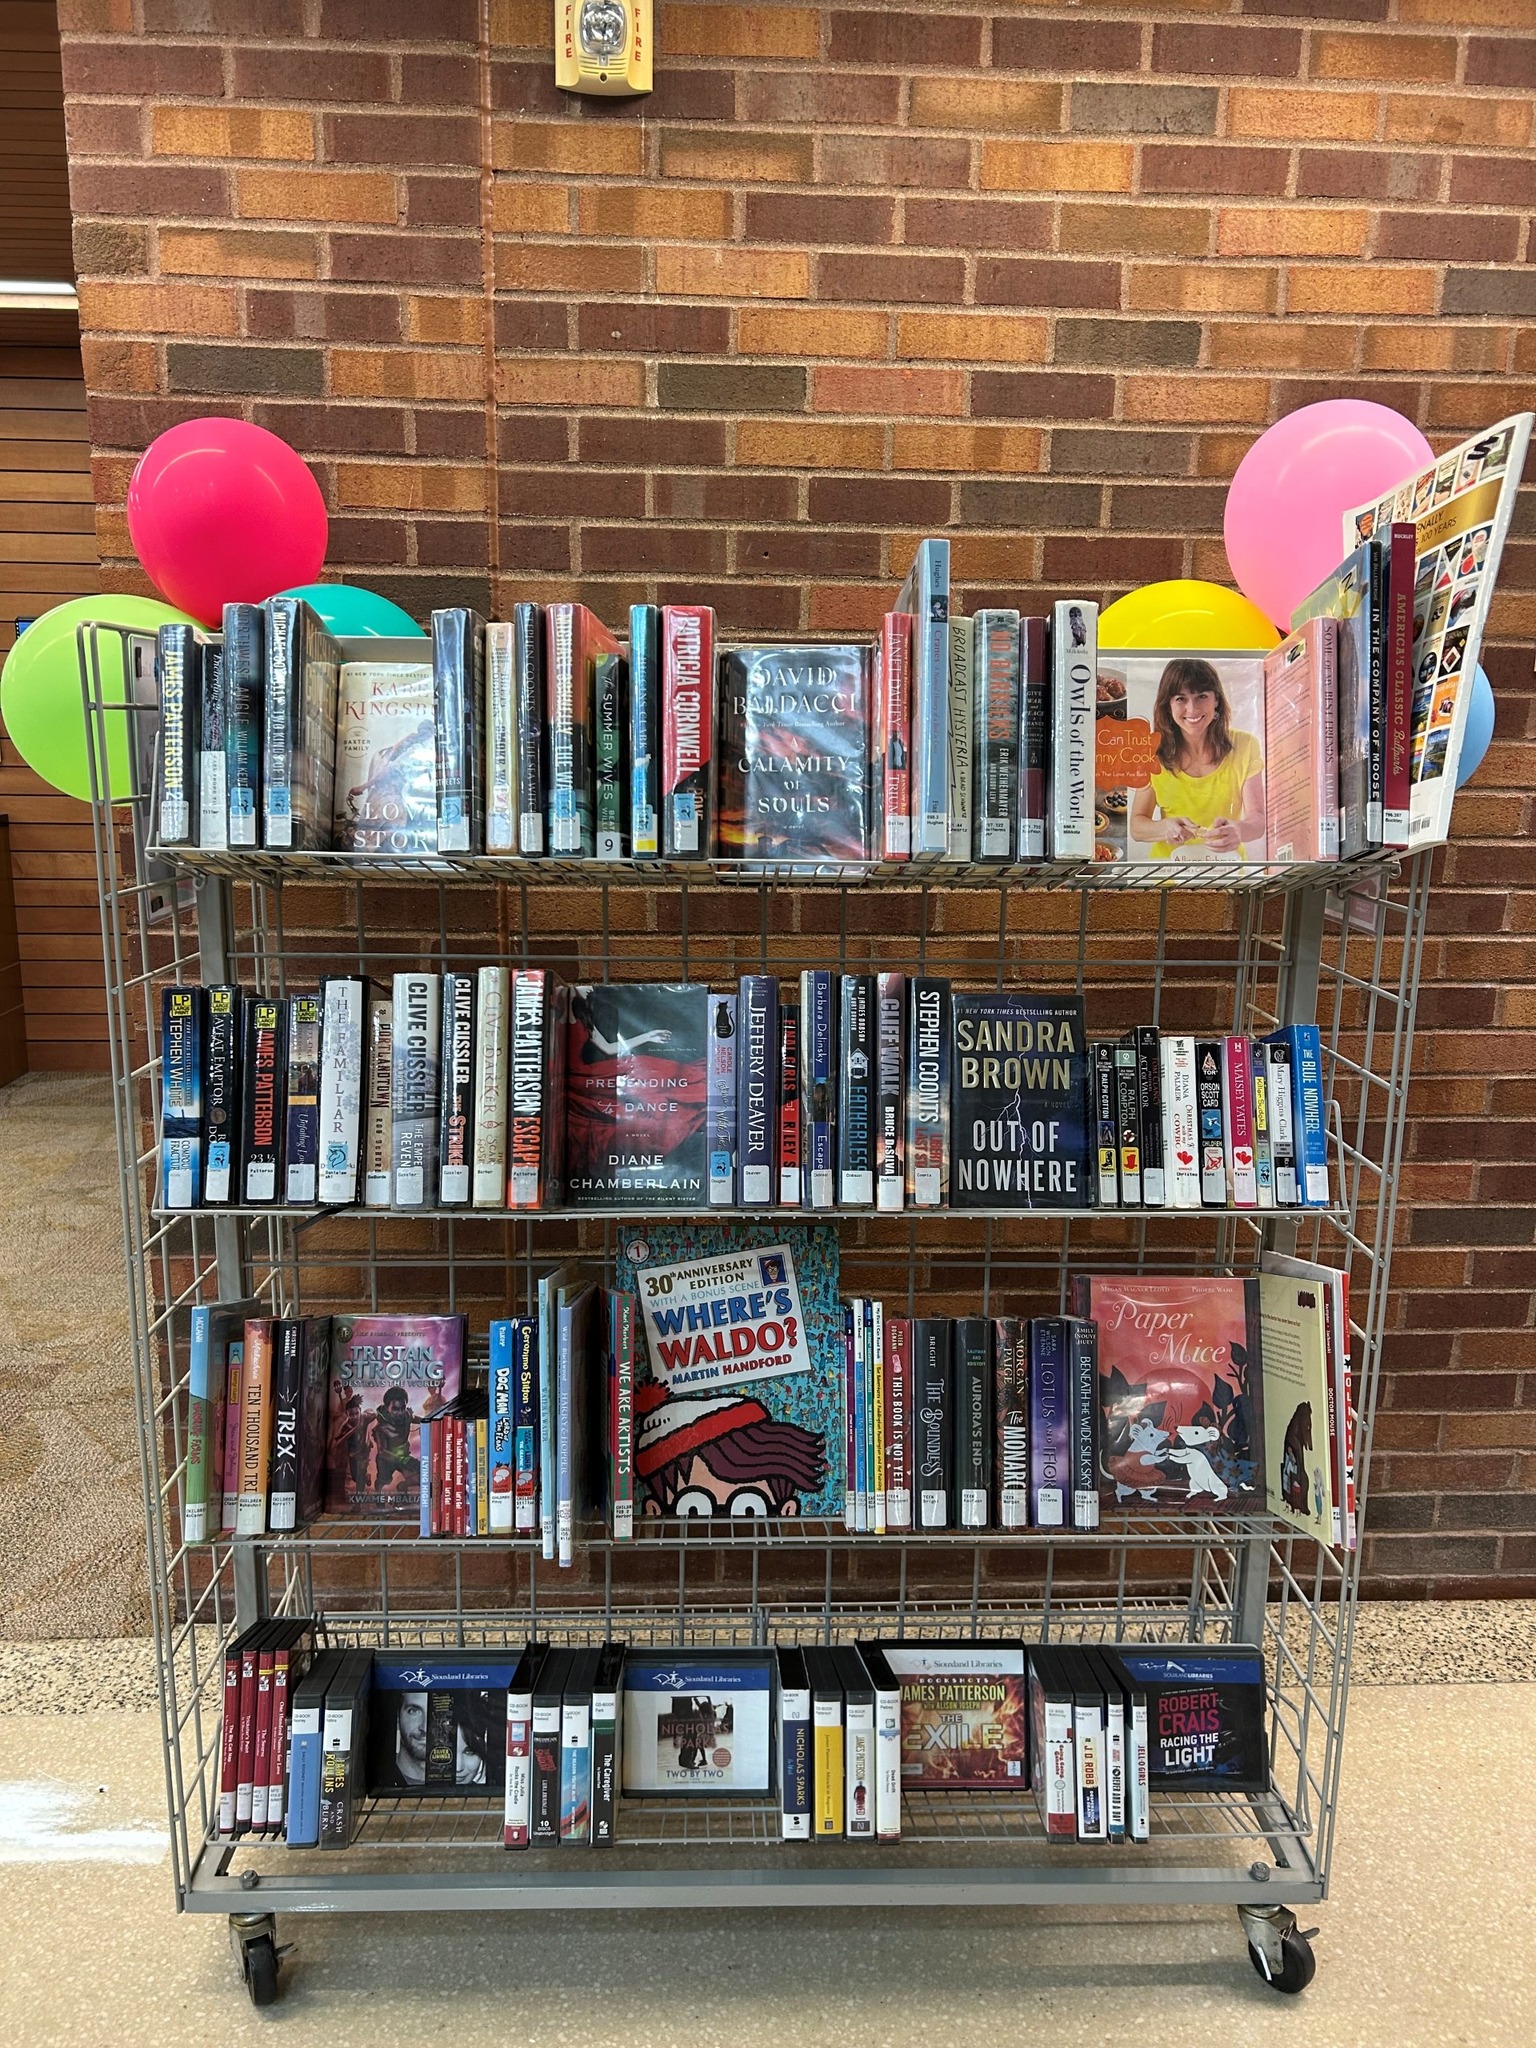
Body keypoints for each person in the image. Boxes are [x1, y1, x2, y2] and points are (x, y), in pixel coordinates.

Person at [1128, 657, 1265, 862]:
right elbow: (1137, 827)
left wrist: (1240, 830)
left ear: (1216, 700)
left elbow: (1258, 819)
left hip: (1227, 871)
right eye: (1180, 699)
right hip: (1167, 877)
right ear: (1168, 705)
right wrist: (1165, 828)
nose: (1192, 709)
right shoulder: (1151, 752)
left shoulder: (1245, 745)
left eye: (1202, 696)